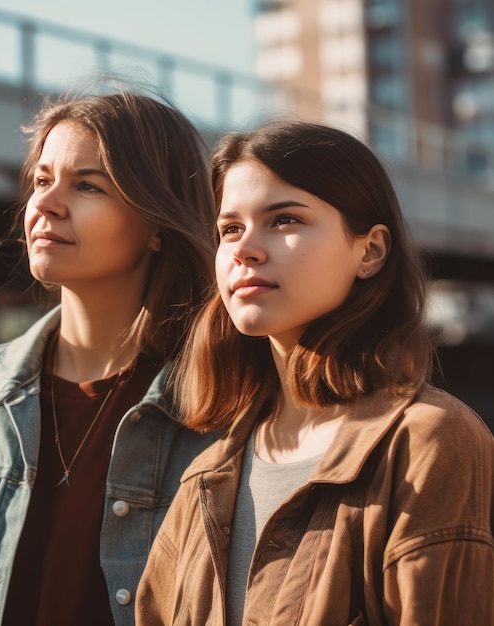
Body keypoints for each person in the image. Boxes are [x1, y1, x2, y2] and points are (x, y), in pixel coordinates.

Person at [0, 85, 222, 625]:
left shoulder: (215, 404)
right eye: (42, 180)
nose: (47, 204)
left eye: (87, 185)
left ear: (157, 224)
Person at [135, 119, 494, 625]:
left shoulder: (427, 442)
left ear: (369, 251)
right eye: (230, 228)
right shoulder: (206, 476)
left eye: (284, 220)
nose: (244, 249)